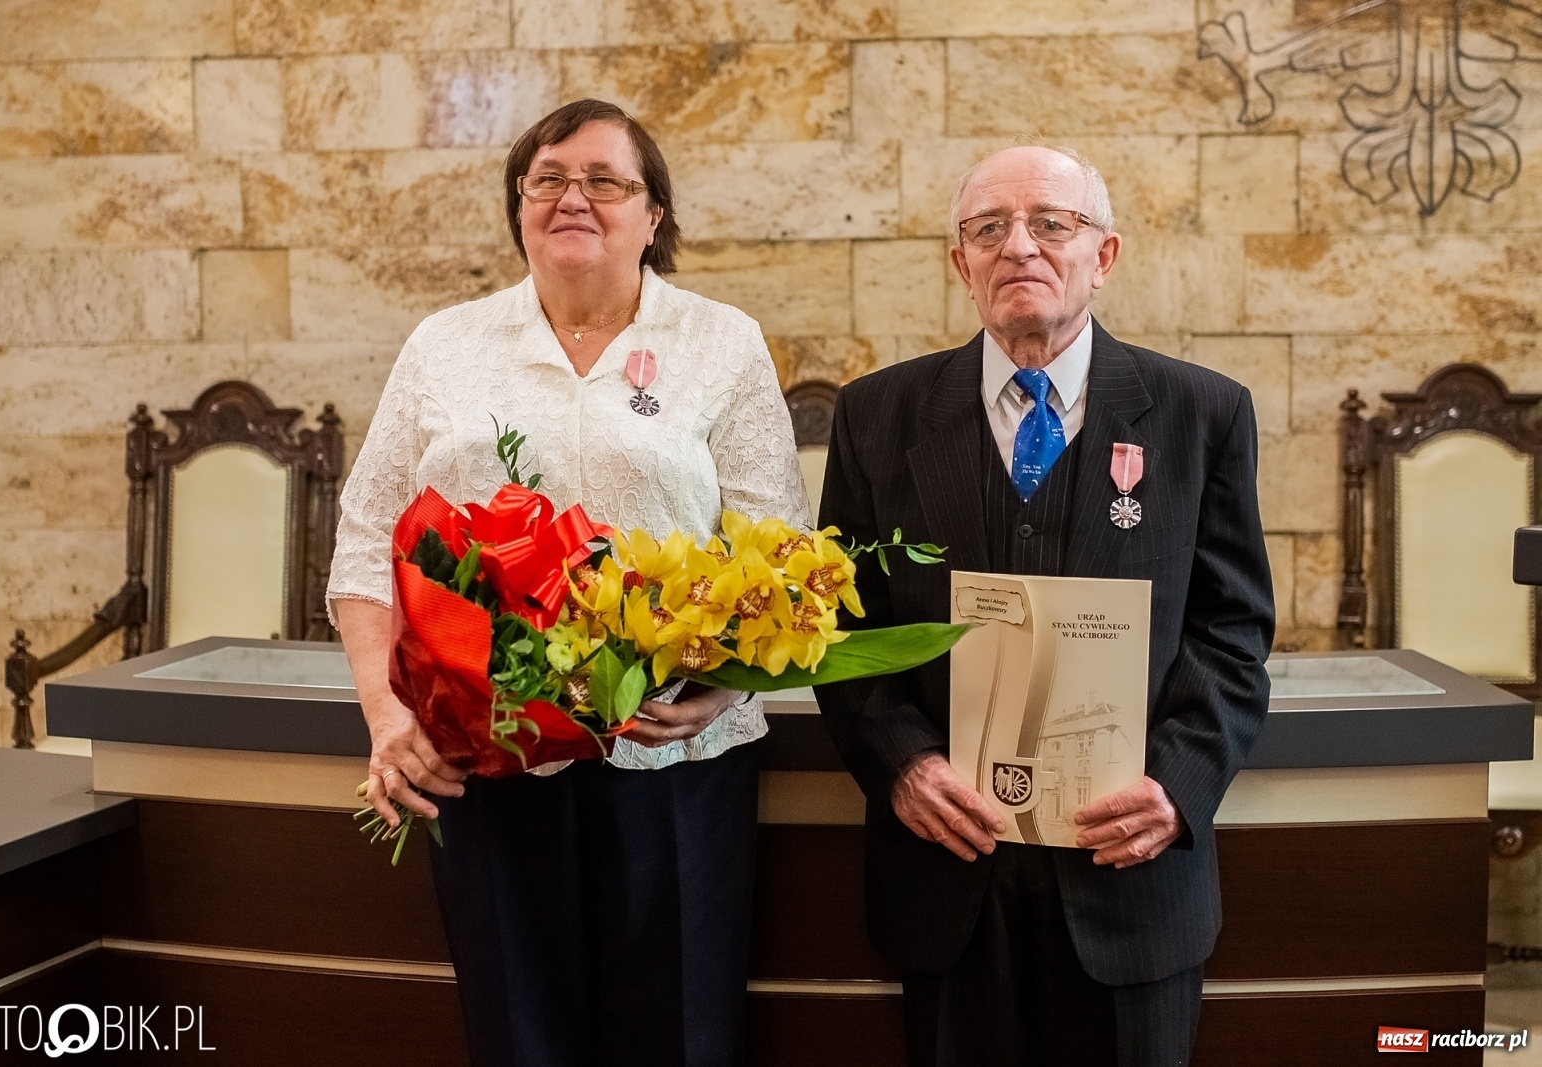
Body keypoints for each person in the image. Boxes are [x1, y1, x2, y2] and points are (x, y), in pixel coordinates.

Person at [328, 98, 811, 1067]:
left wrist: (724, 684)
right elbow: (365, 540)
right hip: (487, 750)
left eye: (603, 180)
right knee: (518, 1034)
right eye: (546, 178)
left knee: (679, 1035)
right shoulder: (445, 345)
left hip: (675, 757)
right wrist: (387, 713)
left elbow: (782, 552)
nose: (571, 197)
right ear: (517, 207)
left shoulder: (722, 342)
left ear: (653, 214)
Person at [814, 142, 1275, 1066]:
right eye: (989, 229)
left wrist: (1178, 790)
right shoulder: (876, 417)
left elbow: (1232, 634)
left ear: (1102, 256)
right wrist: (900, 764)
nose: (1018, 246)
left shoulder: (1201, 414)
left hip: (1129, 886)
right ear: (962, 264)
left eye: (1050, 224)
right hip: (948, 876)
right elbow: (844, 632)